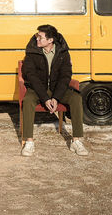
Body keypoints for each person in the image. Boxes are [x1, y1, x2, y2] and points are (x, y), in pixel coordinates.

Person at [21, 24, 88, 157]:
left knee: (76, 98)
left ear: (50, 40)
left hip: (57, 89)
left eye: (40, 37)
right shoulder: (32, 52)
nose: (37, 39)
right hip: (38, 89)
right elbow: (31, 76)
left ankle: (76, 141)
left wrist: (56, 98)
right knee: (28, 100)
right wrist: (45, 98)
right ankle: (29, 142)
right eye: (37, 36)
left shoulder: (63, 52)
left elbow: (65, 76)